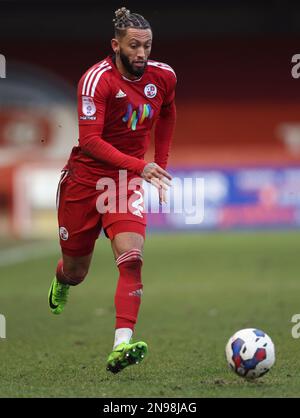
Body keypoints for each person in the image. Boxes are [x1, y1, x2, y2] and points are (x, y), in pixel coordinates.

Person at [48, 6, 177, 374]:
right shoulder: (96, 81)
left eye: (147, 46)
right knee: (76, 271)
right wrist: (144, 165)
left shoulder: (164, 77)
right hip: (85, 182)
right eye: (134, 46)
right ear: (115, 45)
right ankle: (62, 280)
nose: (141, 53)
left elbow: (168, 114)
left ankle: (121, 344)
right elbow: (89, 141)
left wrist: (159, 167)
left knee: (132, 258)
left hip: (123, 183)